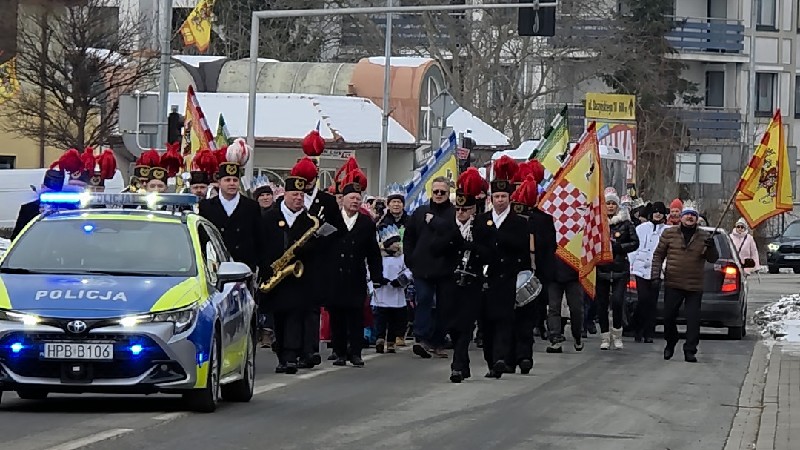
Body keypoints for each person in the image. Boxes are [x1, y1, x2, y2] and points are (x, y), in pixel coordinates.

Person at [472, 156, 529, 379]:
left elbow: (520, 247)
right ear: (491, 198)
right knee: (486, 323)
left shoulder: (519, 222)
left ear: (509, 198)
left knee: (504, 320)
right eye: (496, 196)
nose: (500, 200)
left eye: (503, 196)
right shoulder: (482, 220)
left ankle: (501, 359)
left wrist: (497, 236)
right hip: (486, 277)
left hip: (507, 277)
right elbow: (477, 245)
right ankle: (490, 360)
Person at [289, 154, 346, 368]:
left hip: (318, 261)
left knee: (312, 308)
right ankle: (292, 349)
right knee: (294, 307)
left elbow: (340, 230)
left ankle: (310, 351)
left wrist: (323, 237)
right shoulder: (290, 199)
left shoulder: (327, 201)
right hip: (294, 261)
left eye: (308, 181)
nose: (304, 186)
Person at [261, 174, 318, 374]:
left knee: (295, 316)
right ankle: (282, 356)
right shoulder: (270, 217)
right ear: (285, 194)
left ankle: (291, 356)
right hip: (276, 275)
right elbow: (262, 245)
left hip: (299, 277)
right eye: (295, 194)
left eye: (301, 195)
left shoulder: (309, 221)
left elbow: (317, 249)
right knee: (279, 317)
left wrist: (305, 249)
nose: (298, 198)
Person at [327, 166, 384, 367]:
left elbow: (373, 253)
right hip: (335, 276)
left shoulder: (366, 223)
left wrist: (377, 276)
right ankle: (340, 351)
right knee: (337, 316)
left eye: (358, 198)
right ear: (342, 199)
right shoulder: (332, 219)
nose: (355, 201)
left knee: (355, 315)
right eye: (351, 197)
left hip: (356, 276)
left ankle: (356, 352)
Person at [651, 200, 719, 363]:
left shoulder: (705, 236)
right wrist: (655, 275)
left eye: (693, 215)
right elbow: (658, 255)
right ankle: (671, 341)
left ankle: (690, 350)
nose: (690, 217)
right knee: (668, 317)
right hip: (673, 282)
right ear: (681, 217)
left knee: (693, 320)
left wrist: (711, 247)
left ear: (697, 218)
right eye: (687, 214)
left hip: (694, 285)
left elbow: (712, 259)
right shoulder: (669, 233)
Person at [403, 175, 459, 359]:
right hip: (422, 266)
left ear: (448, 192)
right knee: (424, 299)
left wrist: (435, 221)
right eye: (436, 191)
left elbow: (454, 233)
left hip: (446, 267)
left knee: (445, 306)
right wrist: (410, 258)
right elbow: (409, 236)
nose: (439, 195)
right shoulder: (420, 212)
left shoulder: (454, 213)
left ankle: (438, 341)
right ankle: (422, 338)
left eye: (443, 192)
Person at [440, 168, 485, 383]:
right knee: (451, 325)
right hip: (449, 281)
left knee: (465, 324)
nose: (461, 213)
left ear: (473, 209)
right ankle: (463, 362)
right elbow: (435, 248)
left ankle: (457, 365)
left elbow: (489, 253)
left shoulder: (481, 227)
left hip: (472, 281)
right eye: (458, 209)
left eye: (465, 209)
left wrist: (472, 246)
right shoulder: (447, 226)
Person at [198, 159, 265, 274]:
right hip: (216, 267)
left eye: (235, 180)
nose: (232, 183)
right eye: (227, 180)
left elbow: (259, 238)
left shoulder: (251, 206)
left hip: (244, 267)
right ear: (219, 182)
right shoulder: (207, 206)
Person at [504, 174, 540, 374]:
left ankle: (525, 356)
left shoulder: (541, 221)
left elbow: (547, 249)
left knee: (526, 321)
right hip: (508, 275)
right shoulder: (504, 222)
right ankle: (509, 359)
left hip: (531, 275)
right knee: (508, 320)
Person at [595, 188, 639, 350]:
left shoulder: (626, 224)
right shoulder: (598, 223)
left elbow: (635, 243)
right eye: (608, 203)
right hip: (602, 268)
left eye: (613, 204)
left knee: (618, 301)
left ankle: (617, 334)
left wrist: (618, 247)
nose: (611, 206)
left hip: (620, 268)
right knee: (602, 304)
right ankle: (605, 336)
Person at [629, 201, 668, 343]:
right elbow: (634, 247)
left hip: (657, 270)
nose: (658, 214)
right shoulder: (641, 228)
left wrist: (664, 267)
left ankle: (648, 332)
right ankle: (637, 327)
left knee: (652, 302)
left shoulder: (667, 231)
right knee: (643, 299)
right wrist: (631, 265)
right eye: (655, 211)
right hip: (640, 269)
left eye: (660, 212)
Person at [371, 225, 410, 354]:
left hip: (396, 293)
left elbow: (408, 270)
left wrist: (401, 280)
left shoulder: (402, 257)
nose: (397, 245)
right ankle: (380, 338)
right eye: (394, 242)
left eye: (398, 242)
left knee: (394, 319)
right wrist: (377, 279)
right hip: (381, 293)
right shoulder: (379, 257)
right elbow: (370, 270)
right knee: (380, 319)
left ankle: (391, 342)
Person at [11, 164, 66, 240]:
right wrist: (38, 215)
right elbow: (16, 237)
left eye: (53, 193)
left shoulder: (66, 210)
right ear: (42, 187)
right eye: (48, 192)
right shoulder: (28, 209)